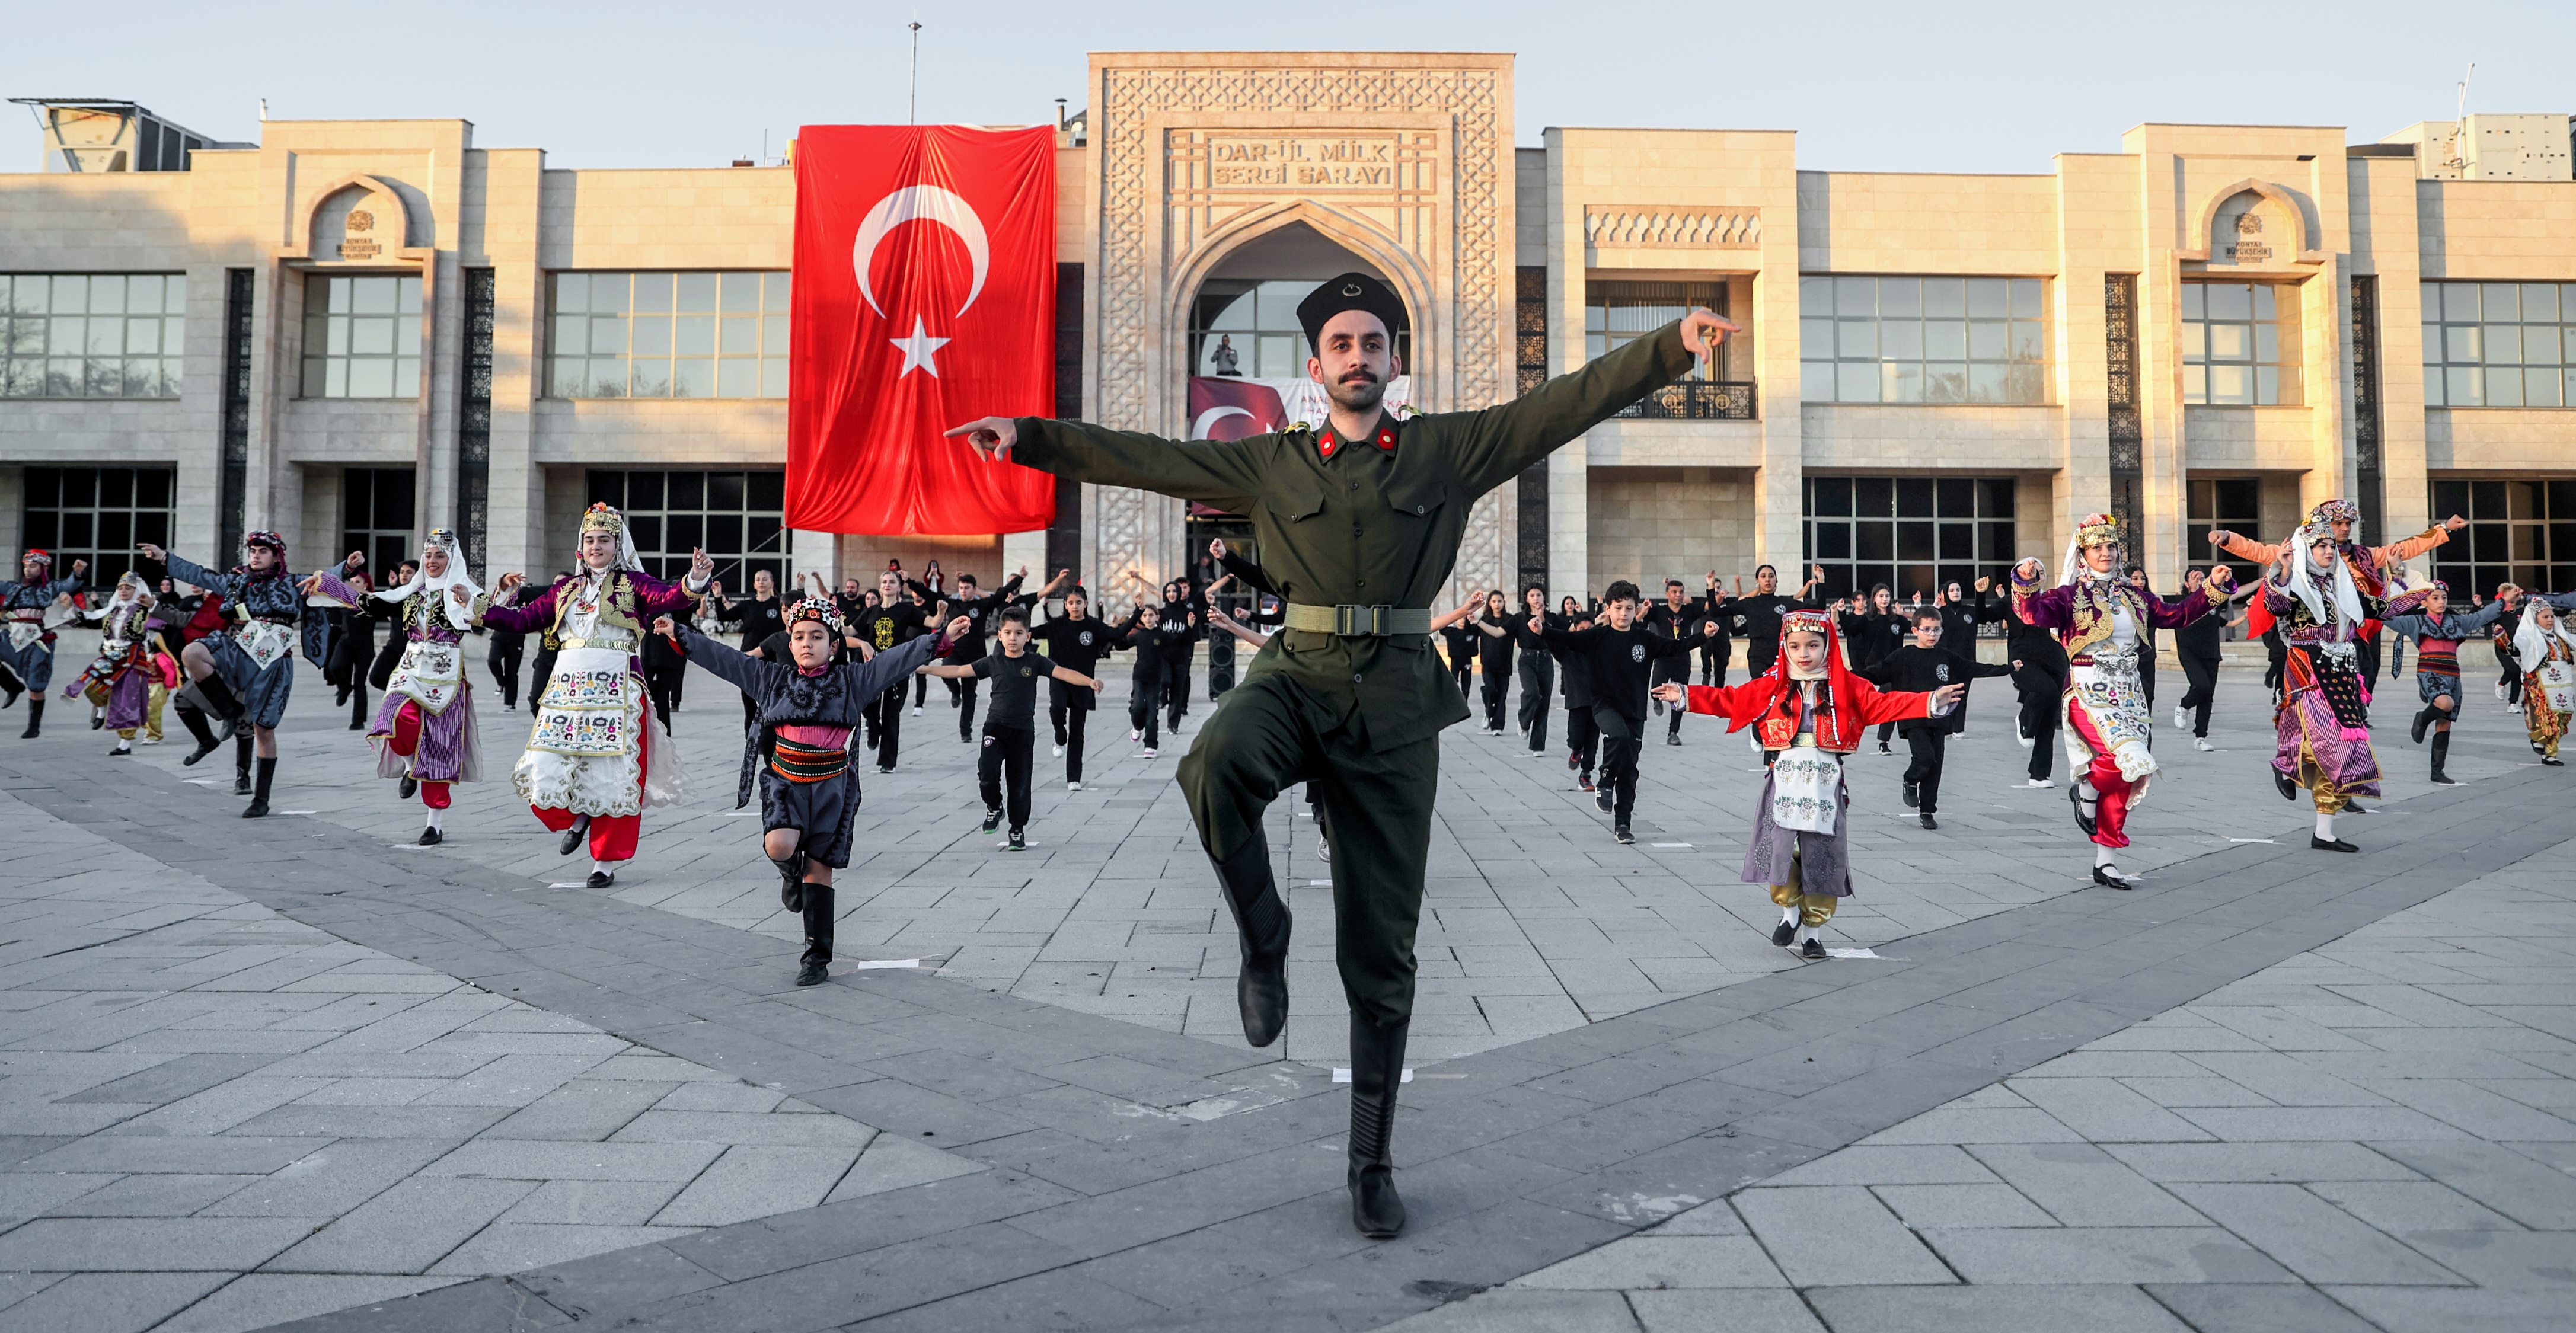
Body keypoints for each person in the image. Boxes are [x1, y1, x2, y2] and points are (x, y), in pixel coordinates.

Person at [946, 270, 1732, 1239]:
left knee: (1381, 950)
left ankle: (1370, 1161)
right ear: (1313, 368)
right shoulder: (1271, 463)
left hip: (1398, 698)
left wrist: (1668, 346)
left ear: (1394, 362)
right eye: (1341, 346)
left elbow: (1556, 407)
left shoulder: (1447, 450)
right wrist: (1031, 436)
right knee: (1216, 759)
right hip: (1299, 671)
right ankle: (1263, 932)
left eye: (1374, 343)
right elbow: (1148, 458)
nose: (1358, 357)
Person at [669, 597, 966, 984]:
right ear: (789, 644)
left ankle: (816, 957)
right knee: (779, 846)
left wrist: (940, 638)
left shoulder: (852, 680)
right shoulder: (772, 678)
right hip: (786, 782)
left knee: (819, 871)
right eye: (799, 636)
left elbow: (896, 660)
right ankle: (789, 875)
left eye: (817, 636)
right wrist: (682, 634)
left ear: (835, 644)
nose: (807, 642)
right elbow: (727, 661)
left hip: (830, 787)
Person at [1658, 609, 1964, 958]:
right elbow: (1730, 700)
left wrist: (1928, 701)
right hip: (1784, 781)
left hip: (1825, 782)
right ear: (1785, 647)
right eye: (1796, 646)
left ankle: (1813, 932)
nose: (1804, 654)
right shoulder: (1773, 685)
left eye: (1813, 645)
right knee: (1782, 849)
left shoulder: (1847, 686)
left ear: (1828, 645)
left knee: (1821, 856)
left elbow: (1883, 704)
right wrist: (1685, 694)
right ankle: (1789, 914)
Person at [470, 504, 712, 888]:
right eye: (590, 539)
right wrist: (476, 605)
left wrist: (695, 579)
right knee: (545, 765)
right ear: (580, 547)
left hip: (617, 690)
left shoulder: (634, 584)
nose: (596, 545)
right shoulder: (565, 589)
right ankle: (577, 815)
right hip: (567, 692)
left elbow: (671, 597)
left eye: (604, 539)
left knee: (613, 777)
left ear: (617, 545)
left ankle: (604, 862)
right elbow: (522, 620)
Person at [2010, 514, 2232, 887]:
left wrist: (2212, 588)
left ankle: (2106, 860)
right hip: (2087, 690)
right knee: (2128, 759)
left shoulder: (2133, 595)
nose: (2106, 553)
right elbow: (2033, 614)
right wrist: (2027, 581)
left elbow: (2176, 616)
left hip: (2130, 694)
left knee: (2133, 772)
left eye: (2111, 547)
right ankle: (2086, 789)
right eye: (2097, 548)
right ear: (2083, 554)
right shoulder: (2069, 597)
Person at [141, 536, 359, 817]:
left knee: (263, 730)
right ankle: (230, 712)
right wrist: (163, 557)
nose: (255, 557)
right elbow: (199, 574)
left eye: (263, 552)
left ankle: (261, 799)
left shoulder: (294, 582)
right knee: (192, 653)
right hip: (239, 650)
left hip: (273, 662)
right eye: (252, 552)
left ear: (277, 556)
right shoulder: (238, 582)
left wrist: (349, 567)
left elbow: (325, 579)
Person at [308, 530, 487, 845]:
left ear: (452, 560)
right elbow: (369, 602)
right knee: (396, 719)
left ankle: (434, 822)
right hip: (410, 668)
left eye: (440, 556)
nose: (432, 562)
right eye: (428, 556)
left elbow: (490, 615)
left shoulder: (463, 593)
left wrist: (503, 595)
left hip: (446, 676)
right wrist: (328, 583)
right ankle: (408, 766)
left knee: (439, 745)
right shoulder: (411, 594)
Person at [1536, 580, 1709, 843]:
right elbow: (1568, 639)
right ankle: (1604, 783)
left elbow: (1675, 647)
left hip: (1635, 710)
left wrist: (1704, 636)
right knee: (1618, 736)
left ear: (1636, 609)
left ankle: (1623, 825)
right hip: (1604, 705)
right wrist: (1542, 630)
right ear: (1608, 609)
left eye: (1629, 608)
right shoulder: (1598, 636)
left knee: (1629, 771)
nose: (1624, 614)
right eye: (1618, 608)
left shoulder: (1644, 639)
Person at [922, 605, 1104, 849]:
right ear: (999, 635)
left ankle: (1017, 830)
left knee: (1019, 783)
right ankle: (994, 807)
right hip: (995, 726)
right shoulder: (993, 662)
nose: (1013, 638)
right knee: (987, 772)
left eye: (1019, 633)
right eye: (1007, 633)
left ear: (1028, 636)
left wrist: (1090, 682)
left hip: (1022, 732)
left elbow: (1063, 673)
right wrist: (922, 668)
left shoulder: (1035, 661)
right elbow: (957, 670)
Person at [2257, 516, 2386, 852]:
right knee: (2323, 741)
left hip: (2342, 670)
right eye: (2321, 546)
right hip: (2308, 668)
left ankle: (2324, 832)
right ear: (2306, 550)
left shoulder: (2341, 585)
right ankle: (2286, 766)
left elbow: (2378, 608)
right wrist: (2282, 570)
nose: (2330, 551)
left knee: (2344, 746)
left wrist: (2419, 597)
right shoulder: (2296, 582)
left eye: (2332, 546)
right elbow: (2276, 605)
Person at [1859, 607, 2012, 829]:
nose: (1932, 635)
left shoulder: (1945, 656)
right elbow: (1875, 672)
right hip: (1913, 717)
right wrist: (1847, 676)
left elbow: (1973, 668)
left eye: (1936, 630)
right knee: (1925, 758)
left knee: (1936, 765)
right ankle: (1910, 780)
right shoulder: (1903, 656)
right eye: (1927, 630)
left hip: (1939, 719)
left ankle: (1928, 810)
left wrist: (2007, 669)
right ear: (1915, 630)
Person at [2382, 577, 2507, 785]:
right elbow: (2388, 619)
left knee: (2445, 723)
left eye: (2444, 598)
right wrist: (2376, 603)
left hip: (2453, 674)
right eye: (2435, 598)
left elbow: (2480, 617)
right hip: (2430, 671)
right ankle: (2422, 719)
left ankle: (2437, 771)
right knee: (2444, 703)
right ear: (2424, 602)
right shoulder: (2416, 622)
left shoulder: (2456, 622)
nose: (2441, 602)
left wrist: (2503, 601)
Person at [848, 569, 941, 773]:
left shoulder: (906, 610)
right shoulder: (871, 612)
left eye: (892, 582)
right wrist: (830, 620)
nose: (887, 585)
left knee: (891, 713)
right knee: (868, 706)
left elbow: (933, 623)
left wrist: (941, 612)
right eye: (884, 582)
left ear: (899, 587)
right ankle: (873, 729)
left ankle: (887, 762)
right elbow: (849, 632)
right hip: (873, 667)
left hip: (898, 667)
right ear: (880, 587)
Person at [62, 571, 155, 755]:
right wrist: (70, 607)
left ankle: (125, 743)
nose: (123, 591)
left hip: (132, 660)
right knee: (91, 688)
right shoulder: (112, 610)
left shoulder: (145, 611)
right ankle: (101, 710)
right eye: (121, 588)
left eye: (128, 588)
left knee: (126, 700)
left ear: (137, 590)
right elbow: (89, 621)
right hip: (110, 657)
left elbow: (159, 628)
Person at [0, 549, 90, 737]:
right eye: (26, 566)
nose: (28, 570)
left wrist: (78, 573)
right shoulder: (13, 588)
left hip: (38, 641)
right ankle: (12, 686)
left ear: (42, 568)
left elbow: (70, 584)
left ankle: (34, 727)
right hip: (14, 636)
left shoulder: (50, 588)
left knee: (36, 685)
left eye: (33, 566)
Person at [1032, 580, 1112, 789]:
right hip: (1059, 678)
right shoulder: (1056, 626)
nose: (1075, 606)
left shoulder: (1093, 626)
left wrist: (1139, 612)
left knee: (1078, 731)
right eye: (1070, 603)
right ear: (1065, 605)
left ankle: (1073, 778)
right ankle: (1059, 735)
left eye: (1079, 602)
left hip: (1083, 683)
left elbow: (1118, 635)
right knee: (1056, 708)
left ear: (1086, 603)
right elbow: (1030, 632)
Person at [1713, 564, 1825, 680]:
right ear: (1758, 581)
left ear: (1776, 580)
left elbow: (1819, 609)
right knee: (1761, 690)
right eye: (1763, 576)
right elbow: (1715, 612)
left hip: (1780, 655)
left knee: (1781, 692)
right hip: (1757, 656)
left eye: (1771, 576)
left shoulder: (1785, 602)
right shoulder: (1749, 603)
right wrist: (1711, 587)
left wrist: (1821, 581)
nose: (1767, 579)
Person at [2171, 567, 2238, 752]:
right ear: (2187, 584)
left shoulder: (2214, 602)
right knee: (2202, 686)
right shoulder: (2180, 601)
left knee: (2208, 697)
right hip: (2190, 653)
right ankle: (2184, 705)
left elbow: (2234, 593)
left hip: (2211, 654)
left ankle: (2201, 738)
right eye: (2194, 578)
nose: (2199, 580)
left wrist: (2225, 581)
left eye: (2202, 578)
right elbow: (2155, 601)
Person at [714, 569, 787, 725]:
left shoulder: (778, 605)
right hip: (749, 657)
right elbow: (724, 617)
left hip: (772, 660)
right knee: (749, 703)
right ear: (754, 584)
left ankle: (769, 742)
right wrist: (718, 597)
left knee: (771, 701)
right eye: (758, 579)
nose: (761, 582)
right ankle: (751, 742)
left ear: (772, 583)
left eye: (765, 579)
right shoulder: (747, 605)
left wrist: (801, 588)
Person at [2510, 598, 2576, 765]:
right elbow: (2518, 649)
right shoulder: (2529, 637)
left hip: (2563, 681)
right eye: (2545, 617)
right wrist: (2505, 643)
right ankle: (2548, 751)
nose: (2550, 620)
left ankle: (2543, 744)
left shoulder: (2560, 636)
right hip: (2542, 683)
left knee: (2564, 714)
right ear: (2535, 619)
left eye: (2552, 617)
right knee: (2547, 715)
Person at [1848, 583, 1908, 755]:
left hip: (1894, 667)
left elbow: (1916, 625)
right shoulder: (1867, 620)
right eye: (1881, 596)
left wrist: (1921, 607)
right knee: (1874, 703)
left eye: (1887, 596)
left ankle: (1884, 741)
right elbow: (1849, 630)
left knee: (1893, 700)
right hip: (1874, 667)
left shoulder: (1896, 620)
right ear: (1874, 598)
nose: (1884, 599)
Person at [1116, 603, 1183, 757]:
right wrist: (1116, 633)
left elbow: (1179, 642)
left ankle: (1151, 745)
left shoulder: (1163, 636)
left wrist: (1190, 627)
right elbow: (1121, 645)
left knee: (1153, 712)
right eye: (1145, 616)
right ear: (1141, 618)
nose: (1148, 618)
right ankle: (1137, 727)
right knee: (1137, 707)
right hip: (1139, 676)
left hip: (1155, 679)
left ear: (1157, 617)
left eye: (1151, 615)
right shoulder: (1139, 635)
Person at [1552, 594, 1601, 791]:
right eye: (1582, 630)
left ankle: (1586, 775)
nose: (1586, 634)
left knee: (1593, 740)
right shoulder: (1567, 650)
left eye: (1590, 630)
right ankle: (1575, 750)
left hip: (1598, 701)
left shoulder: (1600, 649)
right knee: (1576, 737)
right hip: (1578, 701)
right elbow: (1552, 641)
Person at [1643, 578, 1700, 746]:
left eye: (1681, 592)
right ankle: (1656, 699)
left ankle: (1673, 732)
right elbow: (1640, 620)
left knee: (1680, 696)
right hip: (1663, 656)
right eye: (1674, 592)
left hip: (1682, 658)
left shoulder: (1689, 611)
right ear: (1667, 594)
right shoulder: (1659, 612)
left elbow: (1709, 607)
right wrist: (1644, 610)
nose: (1678, 595)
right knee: (1655, 689)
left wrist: (1710, 587)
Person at [1514, 584, 1560, 756]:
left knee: (1544, 702)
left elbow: (1569, 631)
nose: (1536, 598)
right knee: (1533, 693)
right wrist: (1478, 622)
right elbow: (1499, 633)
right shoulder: (1520, 619)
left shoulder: (1552, 618)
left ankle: (1538, 746)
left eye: (1539, 595)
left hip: (1546, 660)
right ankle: (1524, 721)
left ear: (1544, 598)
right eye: (1532, 595)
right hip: (1527, 660)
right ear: (1527, 598)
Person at [1469, 589, 1515, 734]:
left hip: (1504, 662)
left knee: (1502, 696)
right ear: (1489, 603)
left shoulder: (1509, 620)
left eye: (1500, 601)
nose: (1497, 604)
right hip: (1488, 663)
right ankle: (1489, 712)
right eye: (1494, 601)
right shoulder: (1484, 620)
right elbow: (1471, 634)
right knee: (1489, 689)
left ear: (1504, 603)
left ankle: (1497, 726)